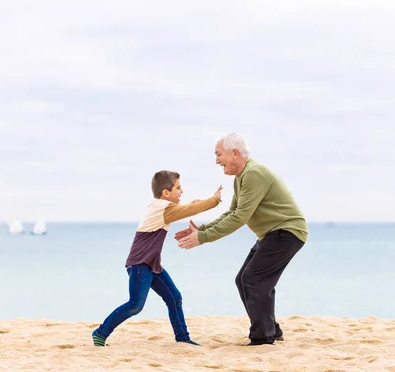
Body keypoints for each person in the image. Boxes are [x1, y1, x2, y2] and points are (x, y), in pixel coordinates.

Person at [175, 133, 308, 345]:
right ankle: (271, 330)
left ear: (234, 153)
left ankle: (263, 338)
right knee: (245, 280)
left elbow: (240, 217)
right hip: (274, 233)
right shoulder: (242, 177)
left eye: (219, 154)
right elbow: (233, 212)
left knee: (253, 280)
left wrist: (203, 237)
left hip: (287, 232)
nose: (216, 160)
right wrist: (203, 229)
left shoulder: (254, 173)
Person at [92, 170, 222, 347]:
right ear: (166, 193)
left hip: (151, 264)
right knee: (135, 305)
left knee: (174, 297)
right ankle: (100, 333)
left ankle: (183, 338)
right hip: (140, 264)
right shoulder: (162, 209)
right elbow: (186, 211)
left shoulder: (159, 206)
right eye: (178, 187)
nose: (182, 191)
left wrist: (191, 205)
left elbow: (182, 210)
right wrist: (213, 200)